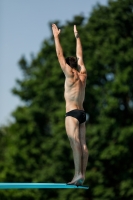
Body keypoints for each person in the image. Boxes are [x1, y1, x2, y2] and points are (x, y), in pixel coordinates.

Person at [52, 24, 89, 185]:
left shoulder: (69, 74)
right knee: (83, 145)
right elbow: (79, 55)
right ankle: (83, 174)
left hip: (72, 114)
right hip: (82, 114)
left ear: (68, 65)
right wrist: (77, 36)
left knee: (75, 144)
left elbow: (60, 54)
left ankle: (77, 174)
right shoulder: (83, 75)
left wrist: (56, 36)